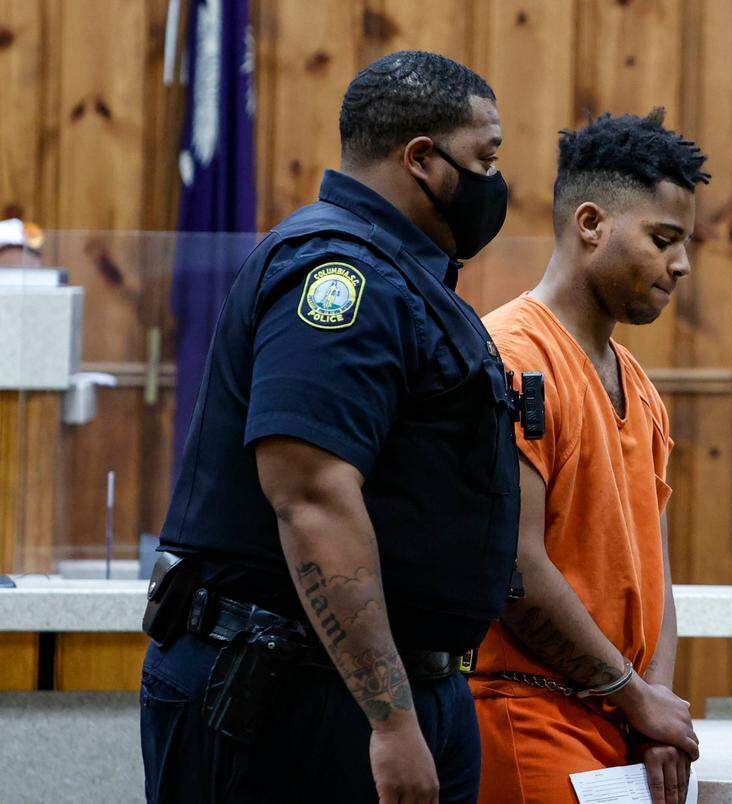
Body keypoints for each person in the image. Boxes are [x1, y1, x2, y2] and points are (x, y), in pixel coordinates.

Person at [139, 51, 518, 803]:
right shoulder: (340, 274)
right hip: (296, 695)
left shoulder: (410, 277)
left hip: (391, 689)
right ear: (422, 160)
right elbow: (311, 499)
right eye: (484, 159)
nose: (495, 184)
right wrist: (391, 721)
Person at [468, 109, 710, 804]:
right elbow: (513, 567)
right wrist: (634, 695)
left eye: (684, 242)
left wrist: (656, 706)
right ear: (591, 225)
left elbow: (657, 573)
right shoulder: (512, 355)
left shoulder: (639, 384)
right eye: (663, 239)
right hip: (526, 711)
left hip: (619, 716)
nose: (682, 263)